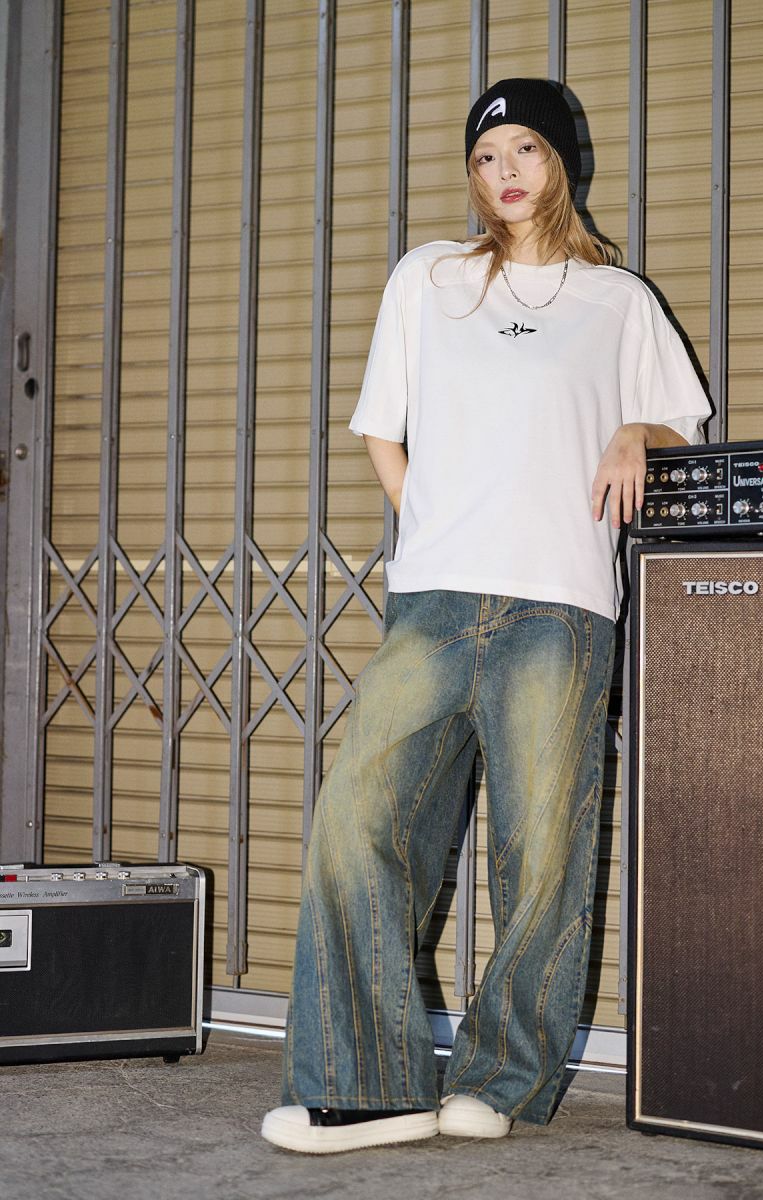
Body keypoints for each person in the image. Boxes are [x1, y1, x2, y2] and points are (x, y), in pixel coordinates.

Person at [261, 77, 711, 1155]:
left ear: (562, 161)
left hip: (560, 607)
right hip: (434, 601)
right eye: (485, 156)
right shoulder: (430, 277)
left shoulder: (618, 299)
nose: (504, 172)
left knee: (542, 854)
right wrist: (432, 521)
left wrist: (635, 433)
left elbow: (678, 426)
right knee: (356, 824)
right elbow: (382, 428)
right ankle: (364, 1086)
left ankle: (499, 1083)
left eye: (525, 150)